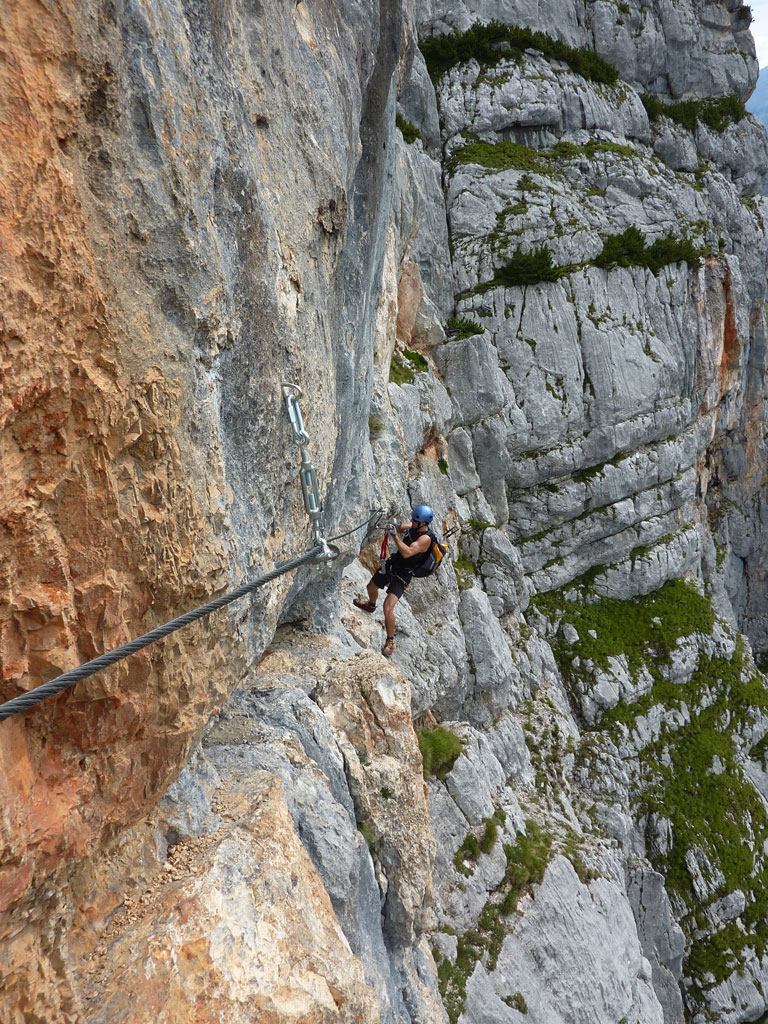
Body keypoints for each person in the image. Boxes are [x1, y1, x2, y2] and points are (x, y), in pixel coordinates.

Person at [353, 504, 435, 658]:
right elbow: (401, 528)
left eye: (414, 520)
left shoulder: (425, 539)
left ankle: (390, 641)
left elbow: (408, 552)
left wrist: (395, 536)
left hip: (403, 574)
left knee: (388, 607)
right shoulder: (414, 528)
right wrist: (393, 526)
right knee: (371, 587)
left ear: (423, 523)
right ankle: (371, 605)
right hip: (394, 565)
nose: (411, 521)